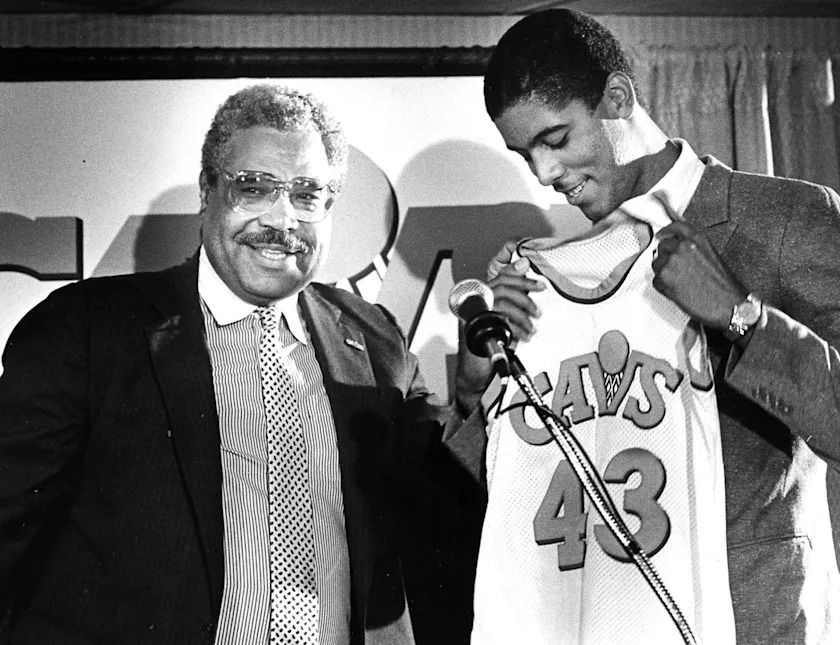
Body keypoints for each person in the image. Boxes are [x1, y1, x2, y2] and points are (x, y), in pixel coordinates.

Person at [454, 8, 840, 645]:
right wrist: (476, 384)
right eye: (526, 155)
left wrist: (743, 317)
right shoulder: (547, 275)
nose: (545, 176)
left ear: (617, 98)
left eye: (557, 139)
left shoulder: (786, 219)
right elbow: (518, 505)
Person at [0, 84, 481, 644]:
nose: (282, 219)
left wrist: (472, 393)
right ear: (208, 191)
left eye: (307, 194)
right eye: (254, 189)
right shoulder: (88, 328)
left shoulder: (375, 340)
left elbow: (445, 518)